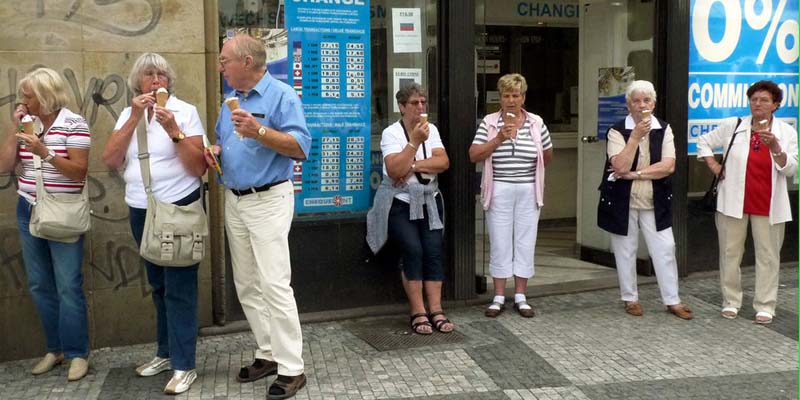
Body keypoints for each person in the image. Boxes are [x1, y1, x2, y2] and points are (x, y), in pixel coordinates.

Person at [205, 33, 310, 399]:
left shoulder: (282, 95)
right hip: (234, 199)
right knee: (247, 284)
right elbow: (227, 140)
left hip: (268, 199)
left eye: (224, 60)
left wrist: (260, 130)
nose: (220, 66)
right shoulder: (229, 100)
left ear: (247, 62)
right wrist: (216, 150)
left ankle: (293, 368)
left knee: (275, 284)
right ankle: (268, 353)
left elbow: (300, 146)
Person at [101, 53, 207, 394]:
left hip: (176, 209)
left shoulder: (186, 111)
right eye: (149, 74)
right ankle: (165, 352)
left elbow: (198, 168)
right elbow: (110, 160)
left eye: (162, 74)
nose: (156, 80)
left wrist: (173, 129)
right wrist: (134, 117)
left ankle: (184, 364)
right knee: (158, 286)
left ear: (169, 80)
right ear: (138, 82)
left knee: (179, 289)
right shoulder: (127, 114)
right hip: (141, 211)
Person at [0, 68, 91, 380]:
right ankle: (55, 349)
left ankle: (78, 353)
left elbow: (78, 172)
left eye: (28, 95)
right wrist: (16, 129)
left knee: (68, 285)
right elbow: (4, 165)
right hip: (29, 207)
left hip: (63, 211)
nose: (23, 100)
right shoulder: (28, 124)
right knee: (40, 284)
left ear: (45, 96)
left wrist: (45, 152)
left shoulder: (74, 124)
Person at [696, 80, 797, 324]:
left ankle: (765, 304)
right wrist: (715, 166)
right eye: (754, 99)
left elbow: (791, 168)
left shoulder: (786, 132)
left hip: (769, 204)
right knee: (730, 253)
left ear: (776, 105)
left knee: (768, 256)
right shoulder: (734, 125)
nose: (758, 104)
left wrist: (775, 147)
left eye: (764, 100)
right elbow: (704, 142)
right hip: (733, 202)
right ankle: (731, 300)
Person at [597, 80, 692, 320]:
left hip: (655, 199)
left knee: (665, 248)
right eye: (636, 101)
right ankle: (630, 298)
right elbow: (619, 166)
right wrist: (635, 138)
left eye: (646, 100)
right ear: (628, 105)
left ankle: (673, 300)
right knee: (625, 250)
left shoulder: (664, 128)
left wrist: (636, 174)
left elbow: (668, 166)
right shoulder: (617, 130)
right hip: (622, 200)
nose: (642, 105)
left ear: (654, 103)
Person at [367, 83, 453, 335]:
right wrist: (414, 142)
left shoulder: (432, 130)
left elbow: (443, 162)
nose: (421, 107)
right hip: (400, 202)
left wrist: (413, 166)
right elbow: (394, 170)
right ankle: (418, 311)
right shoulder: (391, 133)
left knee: (434, 251)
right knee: (413, 250)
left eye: (423, 102)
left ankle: (436, 309)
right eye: (415, 103)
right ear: (402, 107)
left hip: (429, 199)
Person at [469, 73, 553, 318]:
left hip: (528, 189)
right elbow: (474, 154)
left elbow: (547, 156)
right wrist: (498, 138)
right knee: (499, 241)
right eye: (506, 95)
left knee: (526, 241)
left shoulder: (536, 122)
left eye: (516, 95)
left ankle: (520, 296)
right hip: (500, 188)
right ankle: (497, 296)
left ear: (523, 97)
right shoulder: (489, 122)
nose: (511, 100)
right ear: (500, 98)